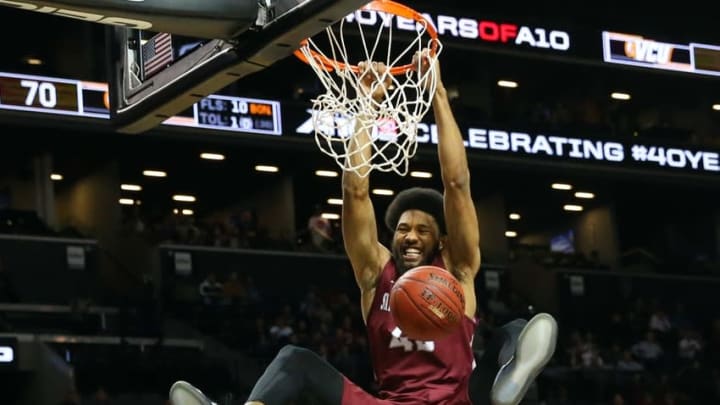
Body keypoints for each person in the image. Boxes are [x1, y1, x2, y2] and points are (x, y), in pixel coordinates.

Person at [169, 53, 558, 405]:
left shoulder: (457, 272)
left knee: (517, 330)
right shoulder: (376, 275)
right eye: (404, 228)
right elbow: (356, 191)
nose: (410, 235)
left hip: (458, 400)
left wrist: (437, 93)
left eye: (423, 230)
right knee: (294, 360)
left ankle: (510, 379)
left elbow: (457, 183)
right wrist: (367, 105)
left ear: (440, 241)